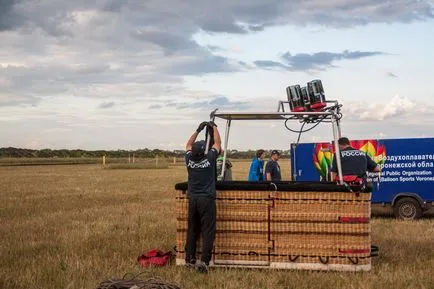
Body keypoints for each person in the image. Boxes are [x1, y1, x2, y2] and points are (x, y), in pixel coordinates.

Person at [184, 121, 221, 273]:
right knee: (207, 231)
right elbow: (218, 143)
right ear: (204, 151)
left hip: (192, 199)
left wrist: (198, 130)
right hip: (206, 200)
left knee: (192, 229)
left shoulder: (189, 160)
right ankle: (204, 262)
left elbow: (188, 144)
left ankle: (189, 259)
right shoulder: (210, 159)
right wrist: (214, 127)